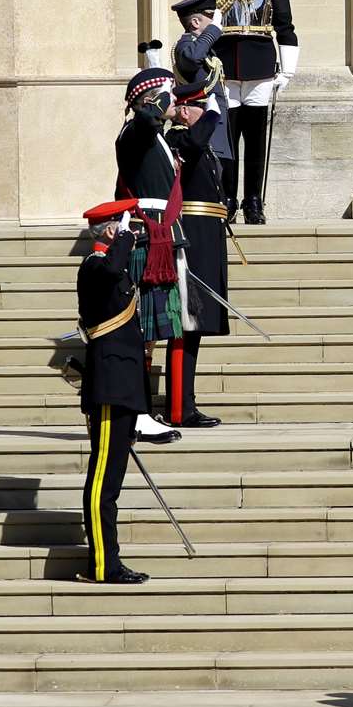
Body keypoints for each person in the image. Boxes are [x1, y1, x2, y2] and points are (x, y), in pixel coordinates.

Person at [194, 0, 297, 224]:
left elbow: (284, 24)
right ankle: (227, 200)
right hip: (223, 65)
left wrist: (287, 68)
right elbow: (198, 21)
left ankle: (254, 200)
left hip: (259, 64)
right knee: (225, 139)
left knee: (255, 140)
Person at [115, 68, 205, 446]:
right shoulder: (134, 134)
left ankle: (142, 412)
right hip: (147, 238)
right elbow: (142, 126)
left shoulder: (160, 139)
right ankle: (136, 413)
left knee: (153, 332)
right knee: (142, 333)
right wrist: (154, 106)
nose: (176, 101)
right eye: (169, 93)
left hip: (163, 237)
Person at [76, 200, 151, 584]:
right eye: (123, 227)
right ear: (109, 230)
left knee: (112, 481)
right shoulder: (94, 266)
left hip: (123, 387)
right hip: (108, 386)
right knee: (102, 481)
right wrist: (121, 239)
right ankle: (104, 564)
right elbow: (109, 269)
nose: (131, 234)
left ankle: (109, 558)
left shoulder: (115, 268)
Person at [161, 78, 230, 429]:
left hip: (208, 240)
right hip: (192, 239)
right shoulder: (177, 139)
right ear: (186, 109)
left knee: (195, 328)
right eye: (205, 106)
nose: (212, 115)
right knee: (185, 325)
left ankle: (185, 403)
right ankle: (179, 408)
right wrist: (210, 116)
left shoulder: (197, 142)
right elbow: (193, 140)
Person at [171, 0, 234, 165]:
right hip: (203, 133)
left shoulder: (205, 49)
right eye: (211, 17)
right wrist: (213, 30)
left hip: (216, 134)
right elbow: (192, 58)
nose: (215, 21)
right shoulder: (185, 47)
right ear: (196, 22)